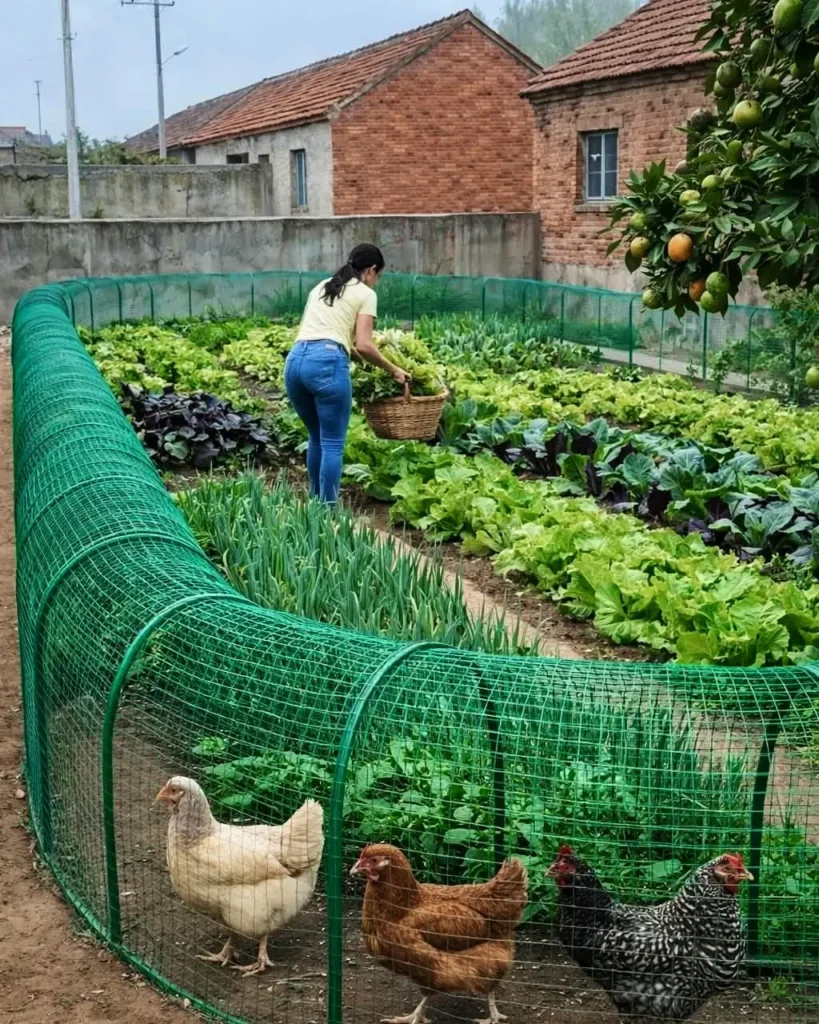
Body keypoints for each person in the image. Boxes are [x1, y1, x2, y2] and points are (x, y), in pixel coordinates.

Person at [284, 243, 410, 504]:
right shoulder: (365, 294)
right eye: (379, 275)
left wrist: (355, 356)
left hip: (295, 362)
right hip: (326, 365)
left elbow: (322, 334)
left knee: (316, 436)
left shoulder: (323, 286)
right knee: (332, 443)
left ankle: (315, 507)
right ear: (372, 270)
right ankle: (328, 513)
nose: (377, 281)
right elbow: (364, 344)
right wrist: (394, 369)